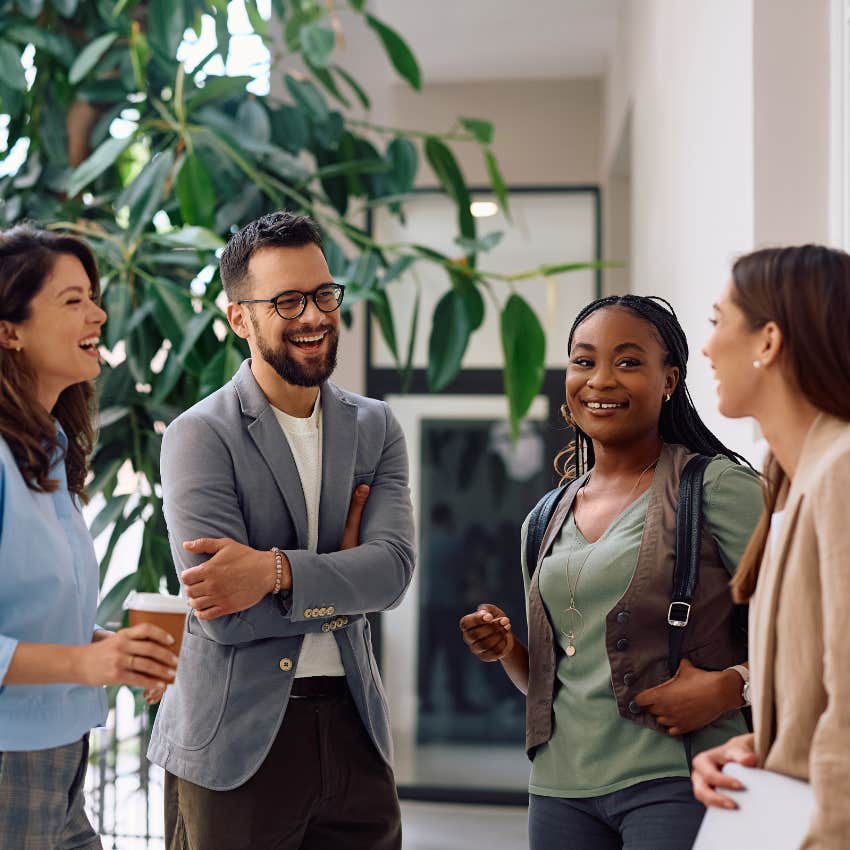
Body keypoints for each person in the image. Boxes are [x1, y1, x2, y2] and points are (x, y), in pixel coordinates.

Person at [147, 211, 415, 850]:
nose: (314, 316)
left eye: (324, 295)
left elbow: (393, 572)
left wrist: (274, 571)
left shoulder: (375, 427)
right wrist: (342, 582)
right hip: (234, 745)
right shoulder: (199, 435)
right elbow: (224, 616)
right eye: (288, 301)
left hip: (355, 735)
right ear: (240, 318)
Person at [460, 294, 764, 850]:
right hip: (559, 788)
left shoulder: (715, 488)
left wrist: (731, 687)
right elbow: (553, 681)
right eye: (584, 361)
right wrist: (507, 649)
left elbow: (812, 627)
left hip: (680, 779)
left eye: (627, 362)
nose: (600, 380)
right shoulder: (544, 518)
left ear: (669, 380)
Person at [0, 224, 179, 849]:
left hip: (64, 755)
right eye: (72, 300)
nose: (98, 314)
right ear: (9, 331)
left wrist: (112, 650)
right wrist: (85, 662)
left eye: (94, 298)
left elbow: (27, 617)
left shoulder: (49, 451)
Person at [693, 245, 850, 848]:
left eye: (717, 321)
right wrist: (762, 746)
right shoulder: (785, 477)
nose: (706, 347)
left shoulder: (840, 472)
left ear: (768, 341)